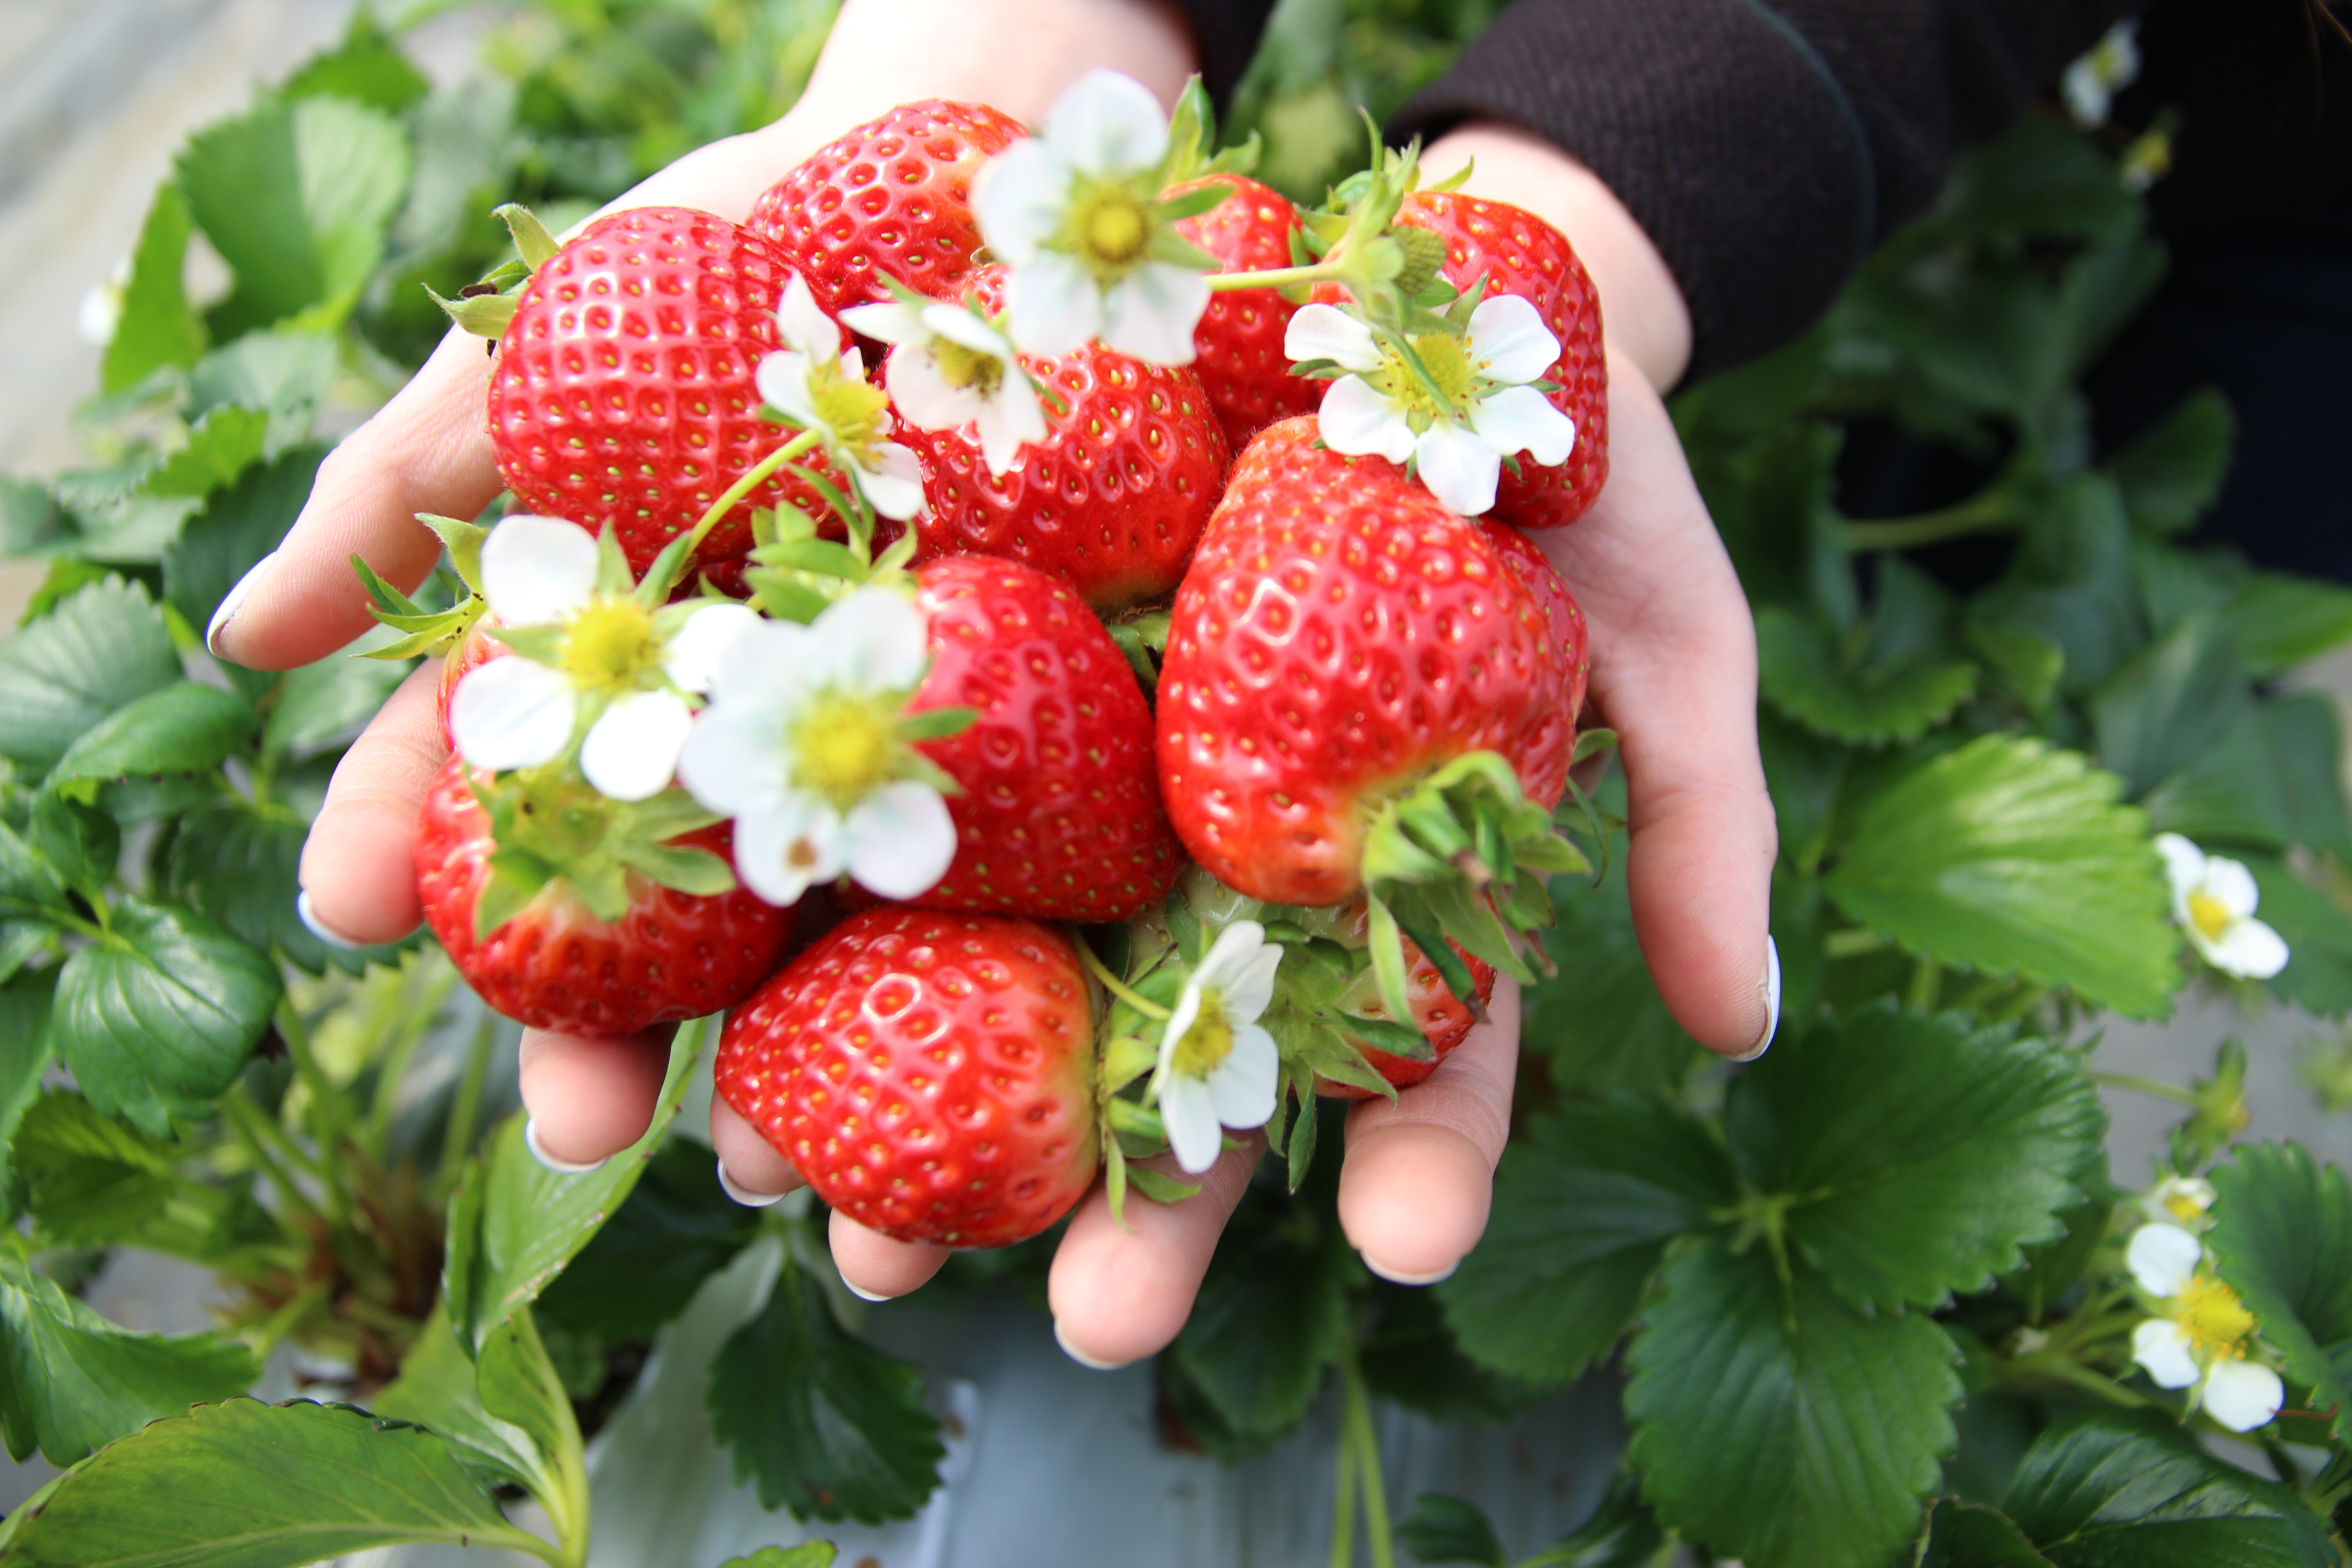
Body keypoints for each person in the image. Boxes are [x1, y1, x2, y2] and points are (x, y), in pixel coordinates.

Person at [206, 0, 2334, 1372]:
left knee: (2225, 422)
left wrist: (1586, 224)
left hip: (2271, 161)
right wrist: (1019, 47)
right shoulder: (943, 548)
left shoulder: (1193, 605)